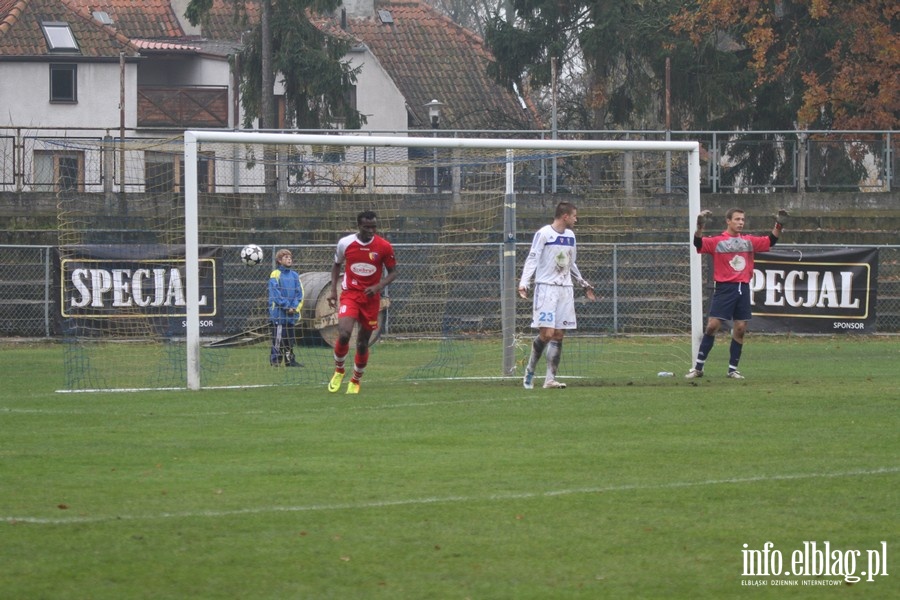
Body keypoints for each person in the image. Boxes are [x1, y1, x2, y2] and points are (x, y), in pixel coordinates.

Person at [686, 207, 788, 379]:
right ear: (728, 221)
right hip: (725, 288)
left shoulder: (748, 241)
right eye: (737, 219)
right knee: (712, 326)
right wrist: (699, 227)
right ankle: (698, 368)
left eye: (742, 219)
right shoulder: (718, 241)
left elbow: (770, 241)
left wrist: (779, 225)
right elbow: (698, 244)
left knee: (740, 329)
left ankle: (732, 370)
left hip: (743, 288)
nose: (741, 222)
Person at [518, 201, 595, 389]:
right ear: (565, 216)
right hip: (546, 289)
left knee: (559, 335)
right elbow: (533, 257)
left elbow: (571, 263)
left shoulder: (570, 236)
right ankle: (529, 372)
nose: (576, 219)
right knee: (546, 333)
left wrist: (583, 283)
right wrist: (524, 282)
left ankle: (550, 379)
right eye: (574, 216)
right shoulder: (544, 234)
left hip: (565, 289)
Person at [326, 211, 398, 394]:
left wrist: (378, 286)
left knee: (362, 342)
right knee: (344, 333)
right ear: (359, 226)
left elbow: (393, 272)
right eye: (367, 227)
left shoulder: (384, 246)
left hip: (371, 299)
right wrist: (333, 290)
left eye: (374, 226)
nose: (371, 230)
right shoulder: (346, 243)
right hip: (350, 294)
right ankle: (339, 370)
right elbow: (336, 265)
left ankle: (356, 379)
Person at [268, 248, 304, 367]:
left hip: (291, 314)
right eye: (285, 257)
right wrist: (286, 306)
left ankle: (290, 361)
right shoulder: (275, 274)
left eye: (290, 257)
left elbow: (300, 293)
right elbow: (276, 294)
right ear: (279, 260)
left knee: (290, 339)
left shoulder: (295, 275)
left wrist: (294, 307)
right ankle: (275, 361)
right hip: (279, 314)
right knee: (278, 339)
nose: (289, 259)